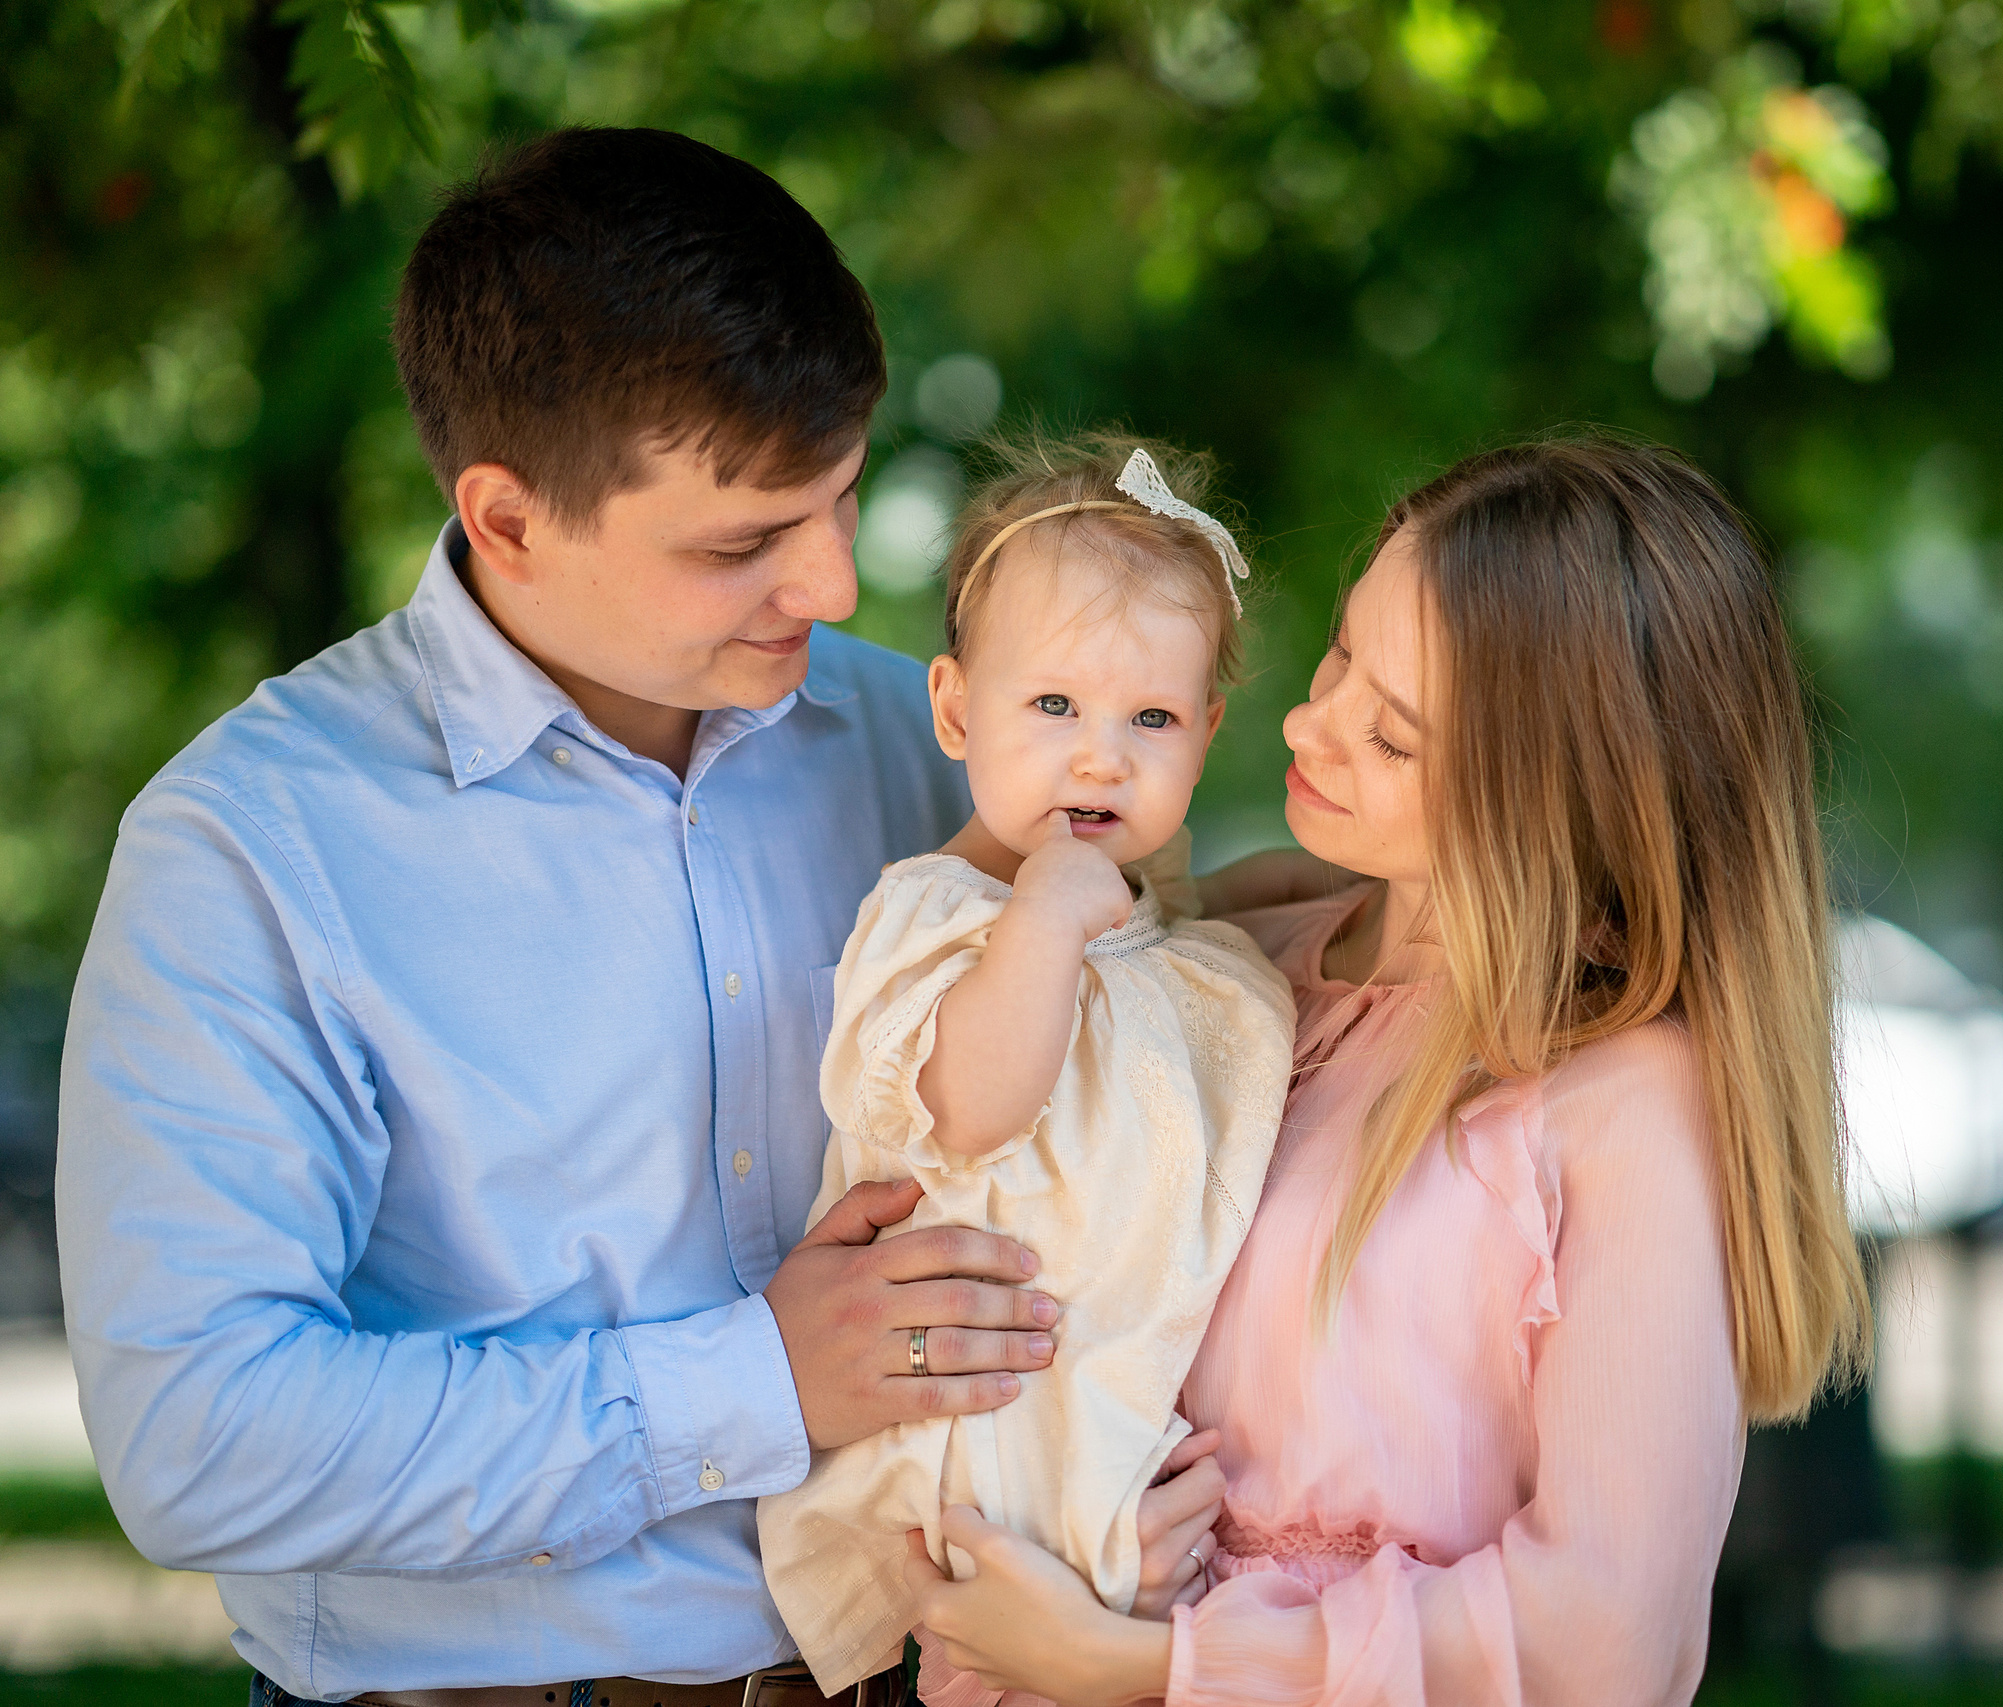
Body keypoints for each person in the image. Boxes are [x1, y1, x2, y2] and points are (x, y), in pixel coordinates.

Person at [52, 128, 1214, 1707]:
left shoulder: (931, 744)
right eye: (741, 543)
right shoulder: (253, 846)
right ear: (509, 519)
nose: (828, 583)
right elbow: (200, 1440)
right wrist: (753, 1383)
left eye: (841, 498)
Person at [897, 435, 1875, 1706]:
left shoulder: (1619, 1098)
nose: (1307, 723)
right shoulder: (1231, 965)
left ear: (1557, 797)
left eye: (1394, 737)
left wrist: (1138, 1658)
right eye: (1342, 653)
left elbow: (1603, 1637)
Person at [759, 437, 1295, 1696]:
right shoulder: (936, 918)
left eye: (1151, 718)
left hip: (1107, 1432)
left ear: (1205, 734)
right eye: (1053, 706)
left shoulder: (1157, 922)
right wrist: (1043, 918)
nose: (1101, 756)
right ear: (956, 710)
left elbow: (1255, 902)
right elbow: (972, 1108)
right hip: (984, 1440)